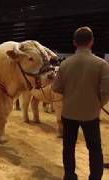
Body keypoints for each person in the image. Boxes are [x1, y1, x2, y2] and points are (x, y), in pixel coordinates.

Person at [52, 26, 109, 180]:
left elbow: (56, 88)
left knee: (68, 147)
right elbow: (106, 91)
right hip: (91, 114)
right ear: (92, 42)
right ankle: (95, 177)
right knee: (95, 148)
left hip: (68, 112)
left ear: (74, 43)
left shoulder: (64, 64)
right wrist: (97, 104)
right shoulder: (102, 64)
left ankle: (70, 176)